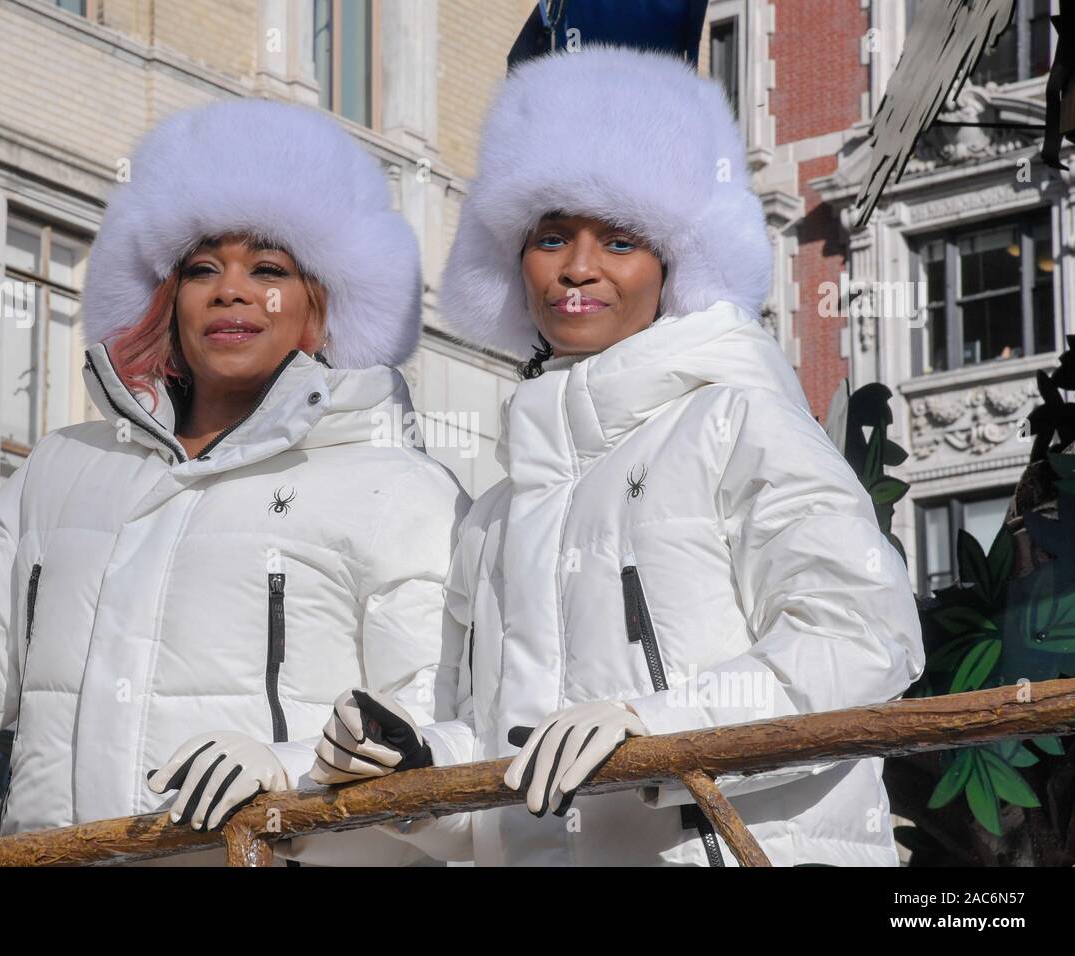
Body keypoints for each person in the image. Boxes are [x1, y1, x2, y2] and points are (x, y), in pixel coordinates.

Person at [0, 98, 469, 865]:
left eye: (268, 269)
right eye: (202, 268)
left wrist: (289, 768)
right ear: (165, 294)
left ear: (327, 299)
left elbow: (426, 734)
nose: (230, 291)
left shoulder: (401, 490)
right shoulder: (66, 467)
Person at [311, 44, 926, 866]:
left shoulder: (737, 420)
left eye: (621, 239)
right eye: (552, 235)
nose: (578, 268)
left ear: (674, 260)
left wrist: (658, 731)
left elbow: (865, 636)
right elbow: (507, 756)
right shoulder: (497, 512)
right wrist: (416, 765)